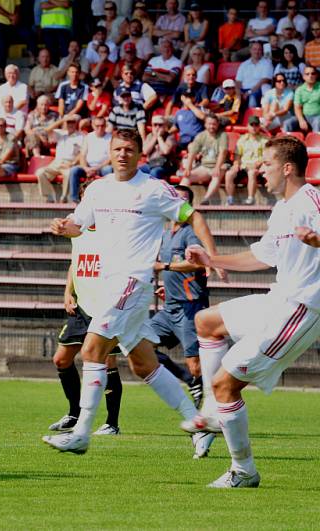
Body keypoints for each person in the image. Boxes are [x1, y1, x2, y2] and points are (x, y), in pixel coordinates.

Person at [46, 128, 224, 455]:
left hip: (133, 283)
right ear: (110, 153)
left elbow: (192, 215)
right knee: (144, 365)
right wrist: (62, 227)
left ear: (140, 153)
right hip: (107, 285)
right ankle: (197, 424)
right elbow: (78, 225)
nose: (122, 154)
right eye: (117, 149)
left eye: (129, 149)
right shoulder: (98, 189)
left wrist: (210, 255)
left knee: (91, 349)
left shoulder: (153, 190)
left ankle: (82, 432)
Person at [182, 136, 320, 488]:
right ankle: (212, 412)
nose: (260, 170)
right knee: (206, 322)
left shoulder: (311, 201)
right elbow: (261, 257)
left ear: (287, 168)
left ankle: (243, 470)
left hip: (302, 310)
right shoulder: (282, 209)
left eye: (266, 164)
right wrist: (212, 260)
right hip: (278, 300)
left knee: (226, 385)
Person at [145, 184, 211, 456]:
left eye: (182, 200)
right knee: (141, 345)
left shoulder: (190, 232)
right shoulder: (164, 232)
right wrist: (166, 285)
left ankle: (210, 413)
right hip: (169, 306)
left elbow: (198, 263)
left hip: (189, 307)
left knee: (197, 364)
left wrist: (166, 267)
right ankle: (187, 379)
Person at [47, 209, 123, 436]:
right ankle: (73, 413)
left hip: (105, 307)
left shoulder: (113, 227)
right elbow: (75, 263)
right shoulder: (76, 228)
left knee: (108, 362)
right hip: (81, 307)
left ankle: (111, 423)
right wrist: (67, 293)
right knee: (61, 360)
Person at [180, 113, 229, 205]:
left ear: (218, 124)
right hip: (205, 166)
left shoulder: (223, 135)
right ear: (205, 124)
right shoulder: (201, 136)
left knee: (217, 174)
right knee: (187, 177)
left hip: (220, 164)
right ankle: (179, 199)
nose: (211, 126)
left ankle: (206, 199)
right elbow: (192, 152)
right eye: (209, 124)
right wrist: (188, 168)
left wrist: (217, 167)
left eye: (214, 124)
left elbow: (223, 153)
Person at [34, 114, 82, 203]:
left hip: (70, 163)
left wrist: (74, 163)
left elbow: (82, 153)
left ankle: (64, 198)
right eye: (68, 122)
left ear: (76, 123)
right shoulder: (60, 133)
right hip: (56, 163)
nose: (70, 124)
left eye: (72, 122)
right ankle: (50, 196)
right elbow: (46, 130)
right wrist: (62, 120)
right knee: (40, 172)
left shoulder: (81, 136)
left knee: (69, 174)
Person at [67, 117, 112, 204]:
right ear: (93, 126)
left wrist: (96, 169)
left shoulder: (110, 138)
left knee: (109, 170)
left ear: (105, 126)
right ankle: (74, 199)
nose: (100, 128)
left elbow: (110, 158)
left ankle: (108, 198)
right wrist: (86, 168)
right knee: (74, 170)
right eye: (97, 126)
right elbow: (82, 155)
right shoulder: (88, 137)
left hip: (102, 167)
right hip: (88, 167)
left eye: (102, 126)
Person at [225, 116, 267, 206]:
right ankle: (230, 199)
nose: (254, 127)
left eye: (256, 125)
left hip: (257, 168)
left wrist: (257, 164)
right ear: (247, 126)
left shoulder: (265, 140)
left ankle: (251, 198)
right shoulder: (242, 139)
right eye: (252, 125)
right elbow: (237, 156)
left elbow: (266, 156)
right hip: (243, 166)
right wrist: (236, 164)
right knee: (229, 174)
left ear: (259, 126)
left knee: (252, 172)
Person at [235, 42, 273, 109]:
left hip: (257, 90)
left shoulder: (267, 63)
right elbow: (238, 81)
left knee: (252, 97)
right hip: (243, 90)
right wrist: (238, 92)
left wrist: (249, 92)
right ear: (250, 50)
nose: (257, 52)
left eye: (259, 49)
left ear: (262, 51)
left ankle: (251, 118)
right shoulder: (244, 64)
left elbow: (264, 80)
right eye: (254, 49)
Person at [283, 65, 320, 133]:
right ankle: (285, 142)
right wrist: (301, 120)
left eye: (313, 73)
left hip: (318, 116)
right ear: (303, 77)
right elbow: (297, 108)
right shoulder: (299, 90)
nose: (310, 76)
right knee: (287, 123)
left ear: (316, 75)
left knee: (317, 122)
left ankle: (316, 143)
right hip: (304, 116)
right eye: (307, 74)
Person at [140, 115, 177, 181]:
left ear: (165, 126)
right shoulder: (150, 136)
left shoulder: (170, 137)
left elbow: (165, 151)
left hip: (165, 165)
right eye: (155, 125)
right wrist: (154, 137)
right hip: (151, 164)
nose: (157, 127)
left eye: (160, 125)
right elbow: (145, 151)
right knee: (138, 172)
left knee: (154, 173)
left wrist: (159, 138)